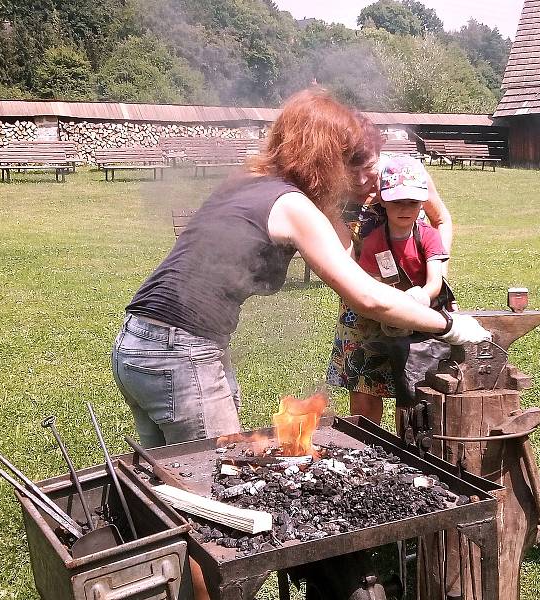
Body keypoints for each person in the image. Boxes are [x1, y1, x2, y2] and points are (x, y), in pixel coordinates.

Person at [111, 88, 491, 450]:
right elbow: (366, 296)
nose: (362, 181)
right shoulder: (292, 205)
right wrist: (450, 325)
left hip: (135, 344)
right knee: (214, 483)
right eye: (352, 165)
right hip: (181, 354)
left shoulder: (247, 181)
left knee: (167, 484)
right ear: (325, 160)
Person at [335, 155, 452, 425]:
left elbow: (442, 219)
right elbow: (349, 266)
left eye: (369, 167)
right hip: (365, 299)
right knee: (365, 383)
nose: (363, 178)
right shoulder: (330, 189)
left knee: (414, 384)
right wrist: (376, 296)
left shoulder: (408, 173)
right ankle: (367, 451)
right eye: (353, 168)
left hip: (421, 302)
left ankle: (412, 448)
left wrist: (435, 280)